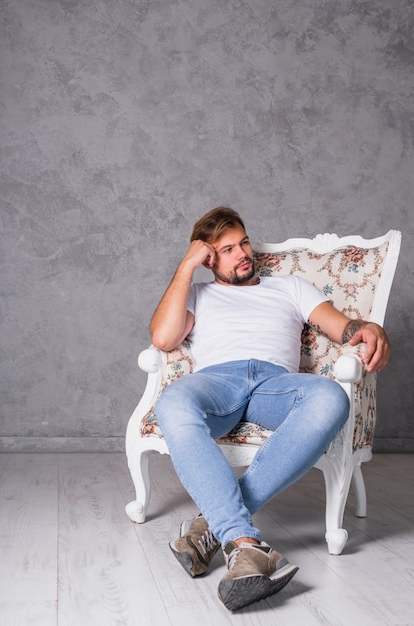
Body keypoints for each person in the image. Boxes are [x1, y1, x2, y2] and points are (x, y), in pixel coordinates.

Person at [151, 207, 390, 611]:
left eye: (243, 242)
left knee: (331, 397)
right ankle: (244, 541)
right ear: (209, 258)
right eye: (227, 249)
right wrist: (187, 265)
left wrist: (369, 328)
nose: (243, 253)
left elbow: (341, 327)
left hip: (275, 384)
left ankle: (214, 530)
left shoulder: (289, 287)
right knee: (172, 401)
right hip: (217, 382)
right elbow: (162, 337)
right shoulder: (196, 293)